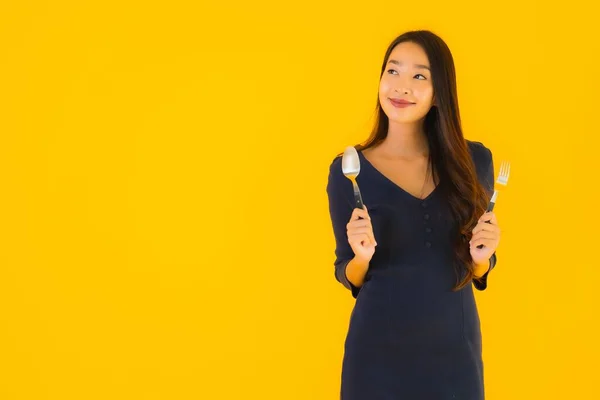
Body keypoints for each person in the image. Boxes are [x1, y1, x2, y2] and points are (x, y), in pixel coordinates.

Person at [326, 30, 502, 399]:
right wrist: (361, 256)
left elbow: (478, 270)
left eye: (419, 76)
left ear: (439, 93)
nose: (401, 87)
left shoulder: (474, 163)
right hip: (376, 357)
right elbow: (349, 274)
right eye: (393, 71)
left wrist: (483, 259)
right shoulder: (348, 170)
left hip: (455, 355)